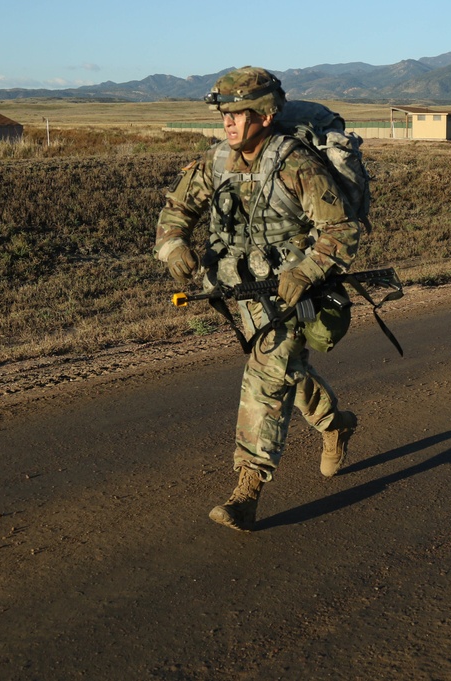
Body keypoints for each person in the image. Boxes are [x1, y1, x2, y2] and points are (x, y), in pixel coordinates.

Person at [154, 66, 361, 532]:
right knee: (285, 371)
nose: (227, 123)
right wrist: (174, 246)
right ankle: (334, 425)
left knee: (265, 379)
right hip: (237, 290)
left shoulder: (295, 164)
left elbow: (343, 229)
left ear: (265, 116)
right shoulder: (217, 161)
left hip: (291, 293)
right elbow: (177, 209)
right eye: (223, 114)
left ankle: (246, 491)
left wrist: (307, 270)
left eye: (237, 113)